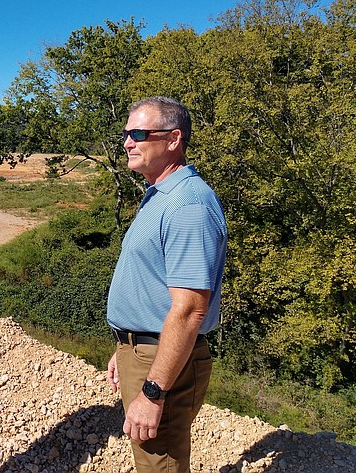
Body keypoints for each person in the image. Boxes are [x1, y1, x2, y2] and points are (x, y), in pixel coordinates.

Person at [106, 97, 227, 473]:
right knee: (150, 458)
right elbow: (155, 285)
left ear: (174, 140)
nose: (127, 142)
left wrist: (154, 390)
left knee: (160, 463)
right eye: (126, 133)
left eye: (139, 133)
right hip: (145, 350)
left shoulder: (188, 205)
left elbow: (190, 310)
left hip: (162, 359)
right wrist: (127, 345)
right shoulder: (160, 196)